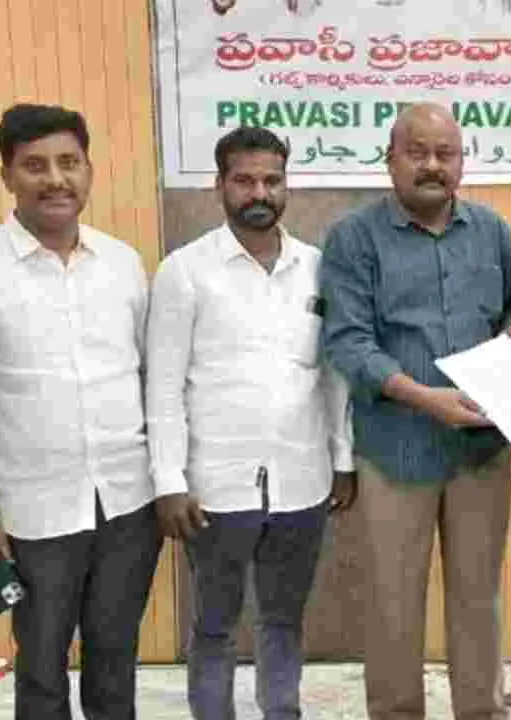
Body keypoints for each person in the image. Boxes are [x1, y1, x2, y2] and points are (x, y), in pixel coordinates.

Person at [321, 102, 511, 720]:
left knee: (478, 597)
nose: (432, 165)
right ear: (389, 160)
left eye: (446, 153)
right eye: (417, 152)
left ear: (463, 162)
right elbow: (348, 342)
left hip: (481, 450)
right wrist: (425, 398)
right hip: (396, 451)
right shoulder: (354, 238)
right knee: (393, 603)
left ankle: (482, 711)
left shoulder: (492, 231)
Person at [0, 104, 162, 720]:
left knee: (115, 657)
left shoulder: (122, 263)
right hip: (33, 510)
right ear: (7, 176)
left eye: (69, 162)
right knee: (41, 665)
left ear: (89, 170)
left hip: (128, 501)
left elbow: (148, 377)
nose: (55, 179)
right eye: (35, 165)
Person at [147, 126, 356, 720]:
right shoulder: (185, 271)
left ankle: (280, 711)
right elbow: (162, 386)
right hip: (215, 486)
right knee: (214, 625)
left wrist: (342, 460)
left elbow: (334, 377)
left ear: (286, 185)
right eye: (244, 180)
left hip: (302, 481)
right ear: (219, 185)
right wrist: (169, 480)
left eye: (272, 180)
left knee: (284, 619)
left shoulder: (318, 269)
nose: (259, 192)